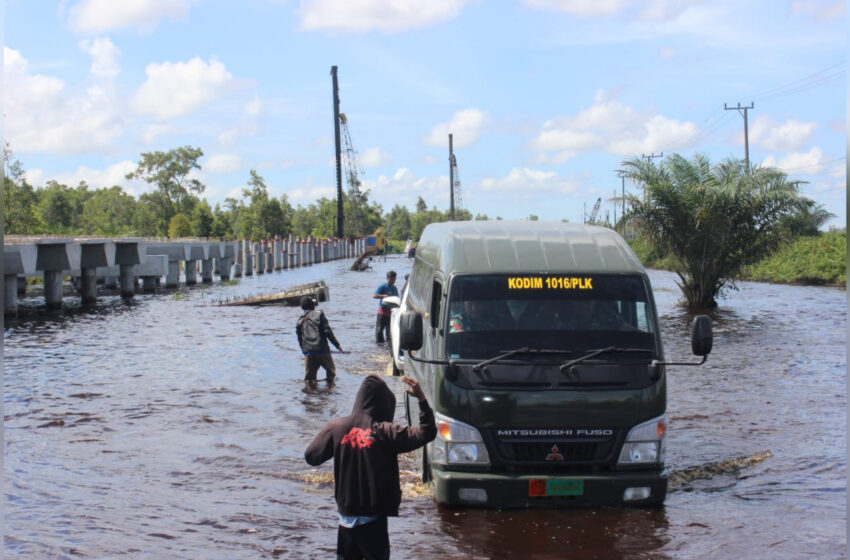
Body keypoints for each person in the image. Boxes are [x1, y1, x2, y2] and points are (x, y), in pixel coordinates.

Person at [305, 375, 436, 560]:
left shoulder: (337, 427)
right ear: (384, 404)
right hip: (373, 520)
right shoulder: (385, 431)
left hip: (346, 520)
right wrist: (422, 400)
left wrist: (339, 447)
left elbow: (311, 456)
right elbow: (427, 432)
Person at [296, 296, 343, 383]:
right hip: (322, 350)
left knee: (309, 380)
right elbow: (327, 331)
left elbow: (299, 339)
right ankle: (329, 391)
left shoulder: (300, 321)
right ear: (312, 305)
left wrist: (304, 351)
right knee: (331, 373)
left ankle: (311, 394)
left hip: (309, 352)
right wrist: (337, 345)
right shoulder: (319, 314)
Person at [373, 271, 399, 343]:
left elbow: (397, 298)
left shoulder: (394, 288)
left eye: (394, 279)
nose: (392, 281)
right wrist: (383, 296)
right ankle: (379, 345)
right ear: (387, 278)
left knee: (389, 332)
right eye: (391, 279)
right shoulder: (383, 287)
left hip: (390, 313)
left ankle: (388, 346)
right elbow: (374, 295)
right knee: (379, 330)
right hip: (382, 312)